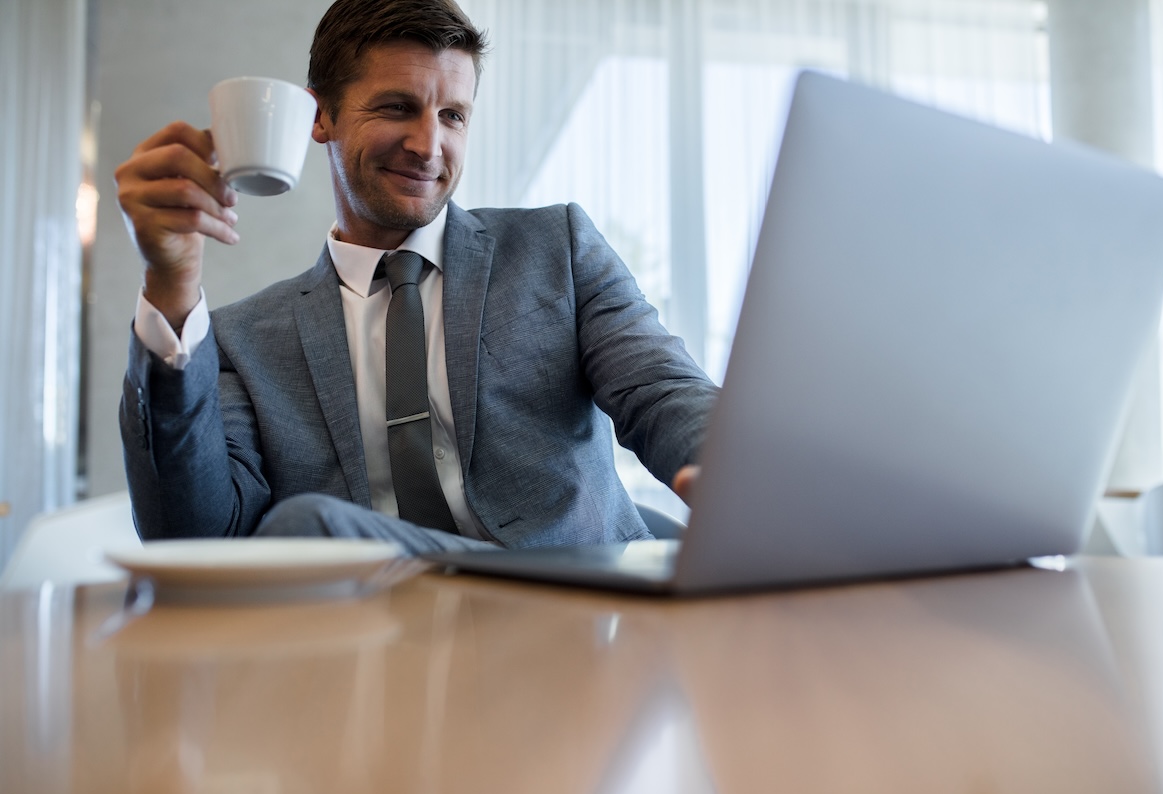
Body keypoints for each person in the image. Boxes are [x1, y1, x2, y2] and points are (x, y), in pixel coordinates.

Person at [115, 0, 717, 555]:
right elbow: (191, 535)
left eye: (452, 115)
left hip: (577, 608)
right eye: (397, 107)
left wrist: (733, 464)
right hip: (380, 637)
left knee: (306, 530)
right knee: (305, 533)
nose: (429, 145)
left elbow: (661, 390)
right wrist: (171, 285)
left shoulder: (555, 247)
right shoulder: (242, 341)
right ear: (319, 114)